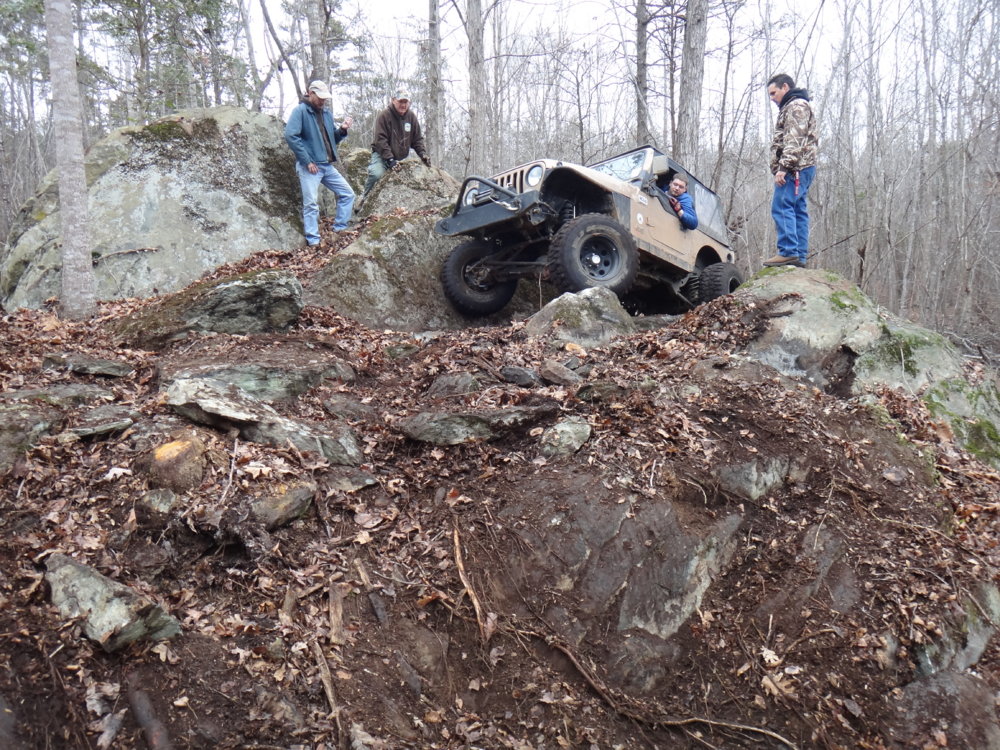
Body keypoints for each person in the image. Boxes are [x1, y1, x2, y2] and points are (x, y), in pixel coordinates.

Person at [284, 80, 355, 246]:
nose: (322, 101)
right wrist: (306, 160)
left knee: (348, 194)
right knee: (311, 204)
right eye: (320, 97)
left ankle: (339, 229)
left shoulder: (327, 114)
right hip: (309, 167)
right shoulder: (300, 111)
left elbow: (331, 140)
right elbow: (290, 136)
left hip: (327, 165)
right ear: (311, 93)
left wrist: (342, 129)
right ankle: (313, 241)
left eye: (325, 98)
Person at [762, 73, 818, 268]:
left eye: (773, 93)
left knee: (782, 205)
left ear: (785, 87)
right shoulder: (796, 105)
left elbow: (795, 139)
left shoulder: (796, 106)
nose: (772, 98)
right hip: (803, 167)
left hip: (795, 167)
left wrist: (783, 168)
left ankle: (788, 252)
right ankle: (799, 256)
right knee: (797, 209)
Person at [361, 88, 430, 199]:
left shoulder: (411, 117)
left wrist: (422, 154)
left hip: (401, 158)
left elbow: (417, 139)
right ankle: (364, 198)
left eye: (405, 102)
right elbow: (380, 140)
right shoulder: (384, 116)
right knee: (376, 174)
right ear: (393, 100)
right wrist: (390, 159)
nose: (403, 105)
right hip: (382, 156)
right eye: (400, 101)